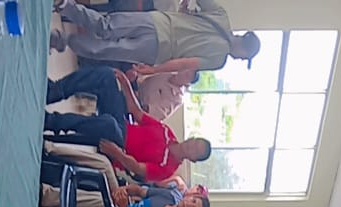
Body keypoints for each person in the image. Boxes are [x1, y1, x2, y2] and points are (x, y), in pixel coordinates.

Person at [44, 68, 211, 184]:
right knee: (108, 76)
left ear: (192, 159)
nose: (191, 146)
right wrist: (125, 84)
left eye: (195, 150)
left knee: (109, 124)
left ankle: (52, 121)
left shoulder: (167, 168)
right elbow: (137, 113)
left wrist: (117, 154)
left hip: (120, 148)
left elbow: (137, 169)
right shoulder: (167, 132)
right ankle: (56, 90)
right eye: (195, 143)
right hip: (123, 124)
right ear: (192, 138)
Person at [51, 1, 262, 75]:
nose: (240, 59)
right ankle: (62, 40)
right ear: (244, 49)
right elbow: (183, 64)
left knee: (106, 25)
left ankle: (65, 6)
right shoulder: (218, 60)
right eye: (244, 57)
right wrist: (153, 70)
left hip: (157, 21)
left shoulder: (221, 16)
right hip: (156, 50)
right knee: (105, 50)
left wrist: (184, 9)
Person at [46, 62, 199, 123]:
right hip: (132, 88)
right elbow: (144, 75)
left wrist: (131, 91)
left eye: (187, 75)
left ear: (188, 83)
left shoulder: (176, 99)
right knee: (111, 70)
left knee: (107, 77)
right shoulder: (167, 72)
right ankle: (58, 89)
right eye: (185, 70)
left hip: (131, 109)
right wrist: (135, 75)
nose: (183, 73)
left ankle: (57, 96)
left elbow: (148, 114)